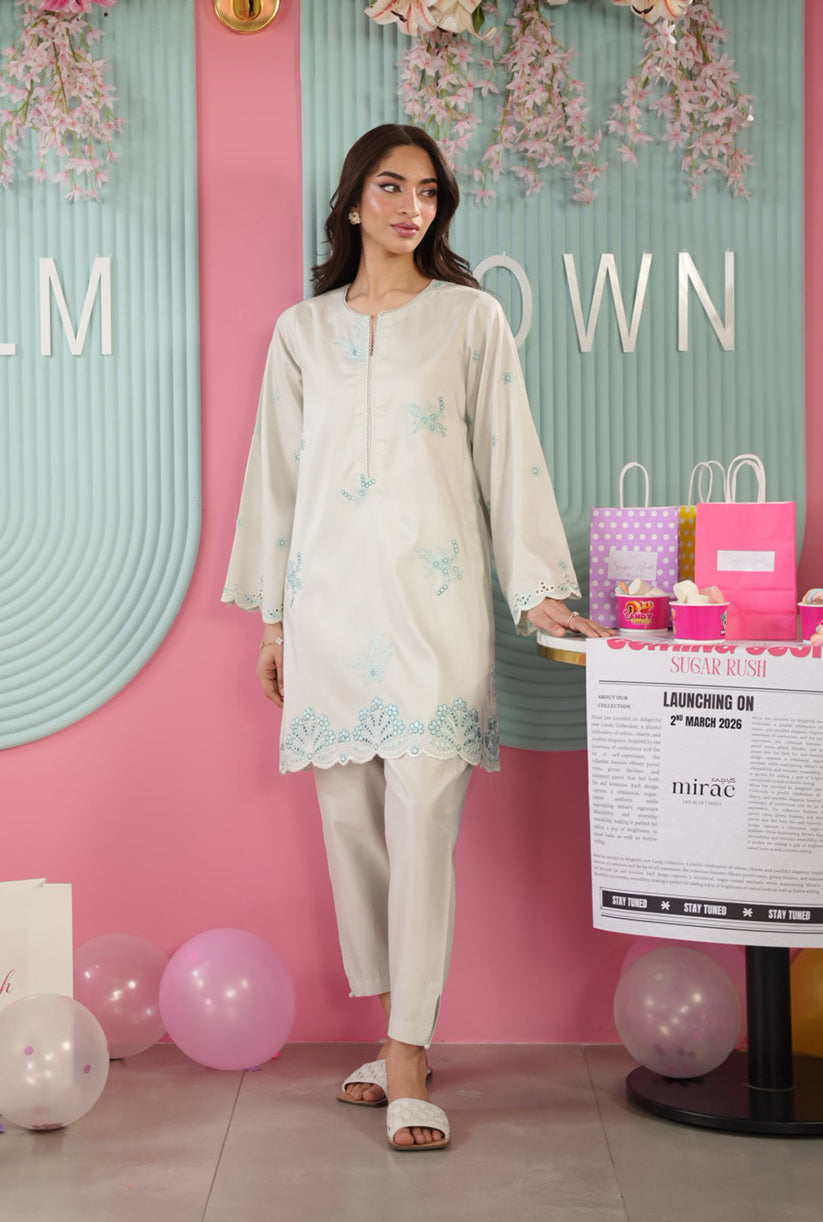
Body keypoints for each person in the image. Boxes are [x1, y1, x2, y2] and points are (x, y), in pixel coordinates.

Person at [222, 123, 611, 1152]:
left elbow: (509, 454)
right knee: (351, 829)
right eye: (391, 187)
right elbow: (275, 479)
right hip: (327, 611)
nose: (411, 207)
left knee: (424, 820)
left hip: (434, 615)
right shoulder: (302, 332)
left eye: (428, 191)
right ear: (353, 201)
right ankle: (397, 1030)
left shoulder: (469, 319)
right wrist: (270, 621)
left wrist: (536, 590)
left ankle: (405, 1056)